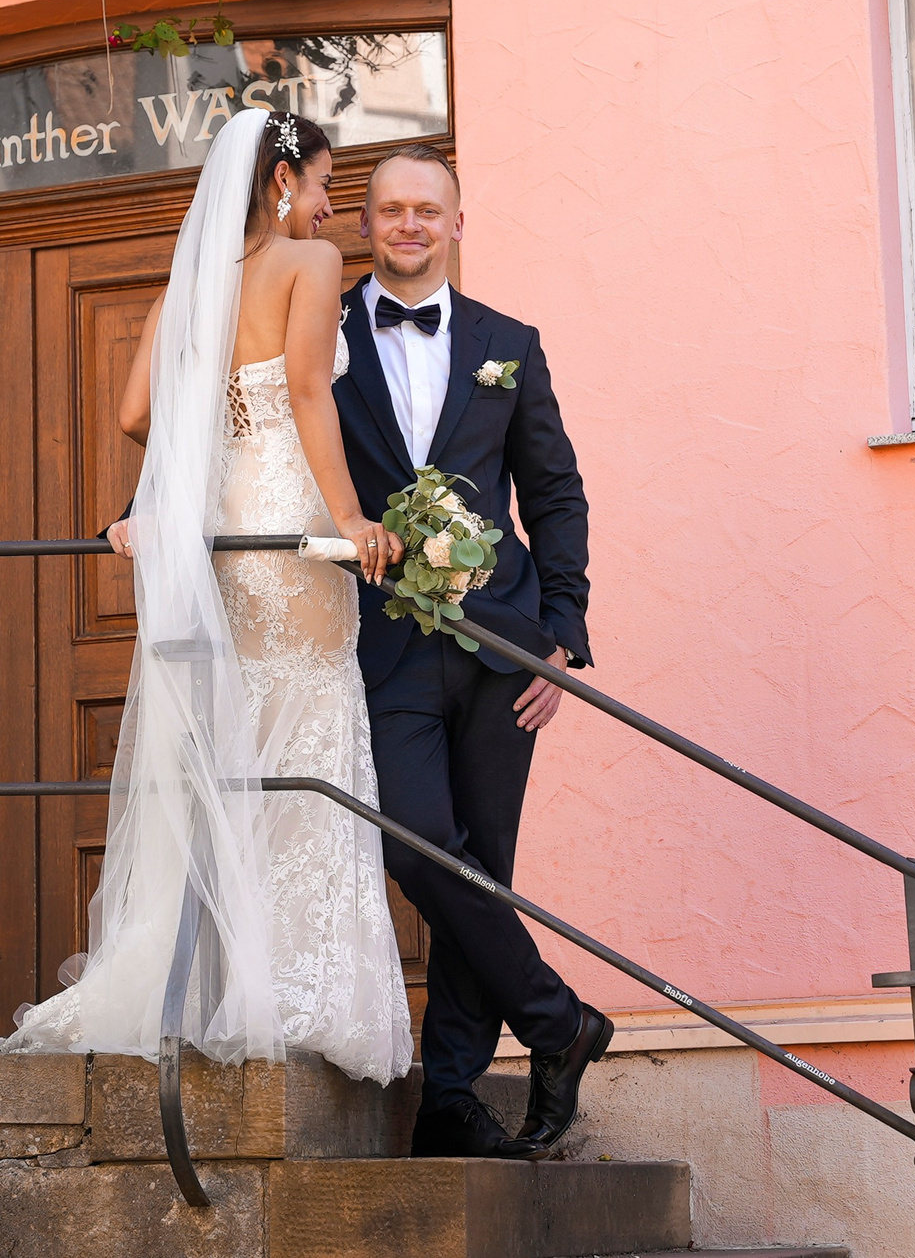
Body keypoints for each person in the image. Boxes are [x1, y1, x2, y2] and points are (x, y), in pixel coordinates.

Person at [0, 109, 413, 1085]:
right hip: (289, 522)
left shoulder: (188, 287)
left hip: (219, 533)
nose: (329, 206)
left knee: (235, 746)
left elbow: (135, 412)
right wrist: (350, 518)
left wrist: (212, 446)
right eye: (323, 183)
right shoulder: (311, 264)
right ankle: (299, 995)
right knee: (309, 735)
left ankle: (221, 984)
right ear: (282, 181)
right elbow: (307, 391)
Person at [334, 144, 610, 1158]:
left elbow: (554, 492)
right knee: (418, 841)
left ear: (457, 223)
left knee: (482, 865)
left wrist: (562, 635)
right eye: (390, 209)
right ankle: (557, 1021)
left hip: (502, 642)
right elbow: (251, 439)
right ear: (366, 223)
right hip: (381, 644)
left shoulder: (510, 343)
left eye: (428, 210)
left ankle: (449, 1100)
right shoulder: (319, 332)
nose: (409, 225)